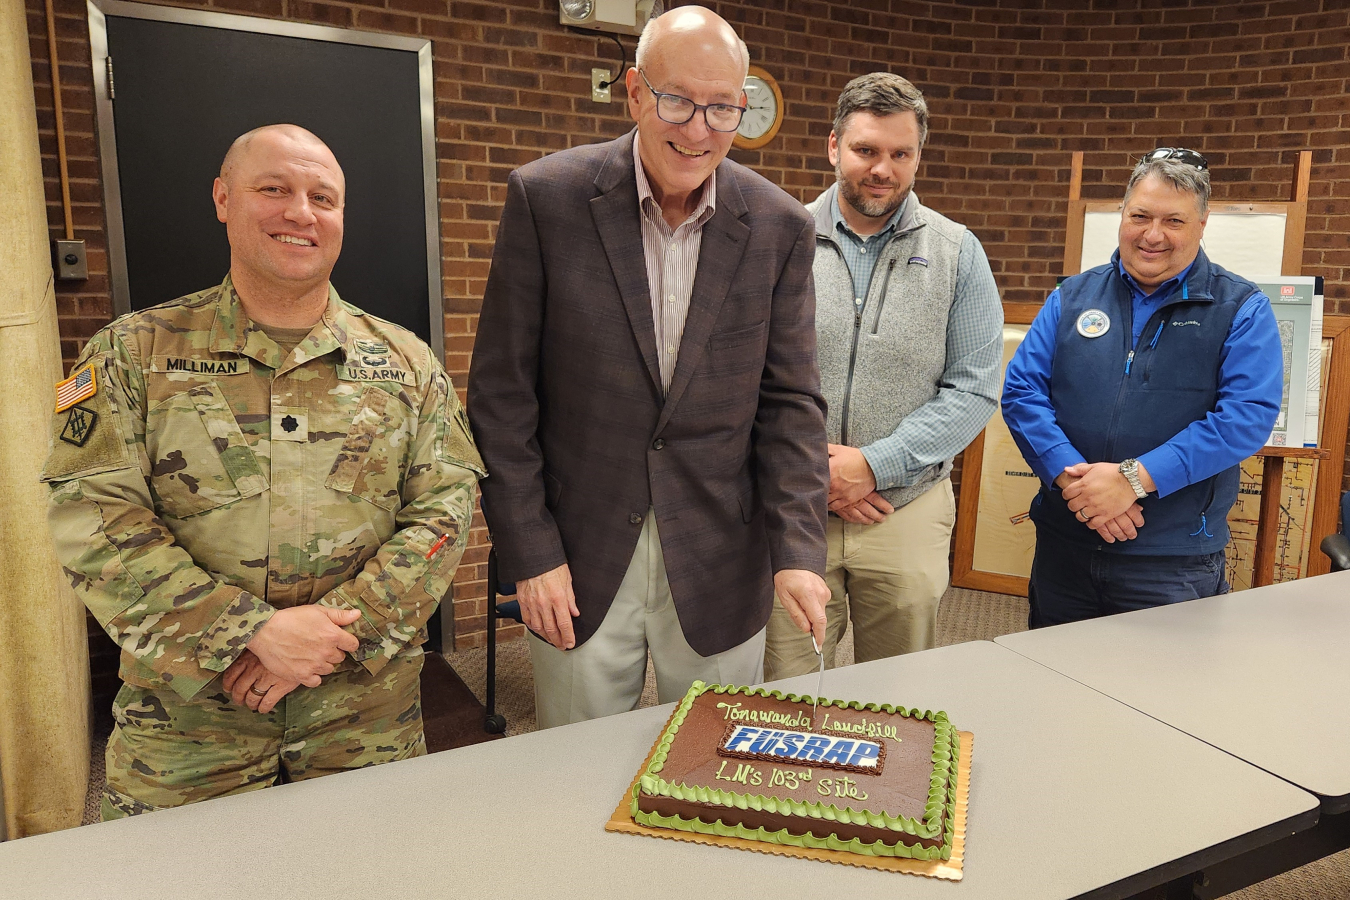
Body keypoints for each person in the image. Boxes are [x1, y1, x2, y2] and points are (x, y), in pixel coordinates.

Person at [42, 124, 483, 818]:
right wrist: (248, 633)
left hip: (362, 720)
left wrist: (330, 638)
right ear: (223, 198)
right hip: (188, 733)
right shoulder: (131, 353)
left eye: (322, 197)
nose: (300, 213)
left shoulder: (407, 362)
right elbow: (93, 515)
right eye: (273, 189)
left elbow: (445, 511)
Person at [468, 6, 831, 728]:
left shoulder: (781, 227)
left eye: (723, 107)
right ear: (634, 93)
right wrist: (530, 551)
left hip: (723, 553)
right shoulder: (547, 200)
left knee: (718, 767)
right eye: (677, 100)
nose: (699, 129)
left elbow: (790, 404)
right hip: (577, 553)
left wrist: (798, 549)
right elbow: (501, 396)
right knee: (571, 766)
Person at [762, 73, 1003, 679]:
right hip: (792, 509)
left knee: (898, 698)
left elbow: (975, 385)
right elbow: (742, 376)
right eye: (866, 150)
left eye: (901, 154)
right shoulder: (775, 239)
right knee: (785, 691)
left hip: (905, 507)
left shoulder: (958, 251)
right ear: (833, 147)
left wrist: (875, 464)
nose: (883, 170)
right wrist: (813, 468)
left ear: (919, 155)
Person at [1001, 148, 1283, 626]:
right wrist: (1080, 488)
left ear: (1202, 223)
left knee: (1159, 696)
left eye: (1174, 220)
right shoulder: (1072, 296)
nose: (1153, 235)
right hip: (1065, 544)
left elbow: (1245, 419)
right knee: (1052, 687)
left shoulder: (1242, 309)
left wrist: (1133, 481)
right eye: (1140, 216)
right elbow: (1023, 392)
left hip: (1171, 560)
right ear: (1122, 215)